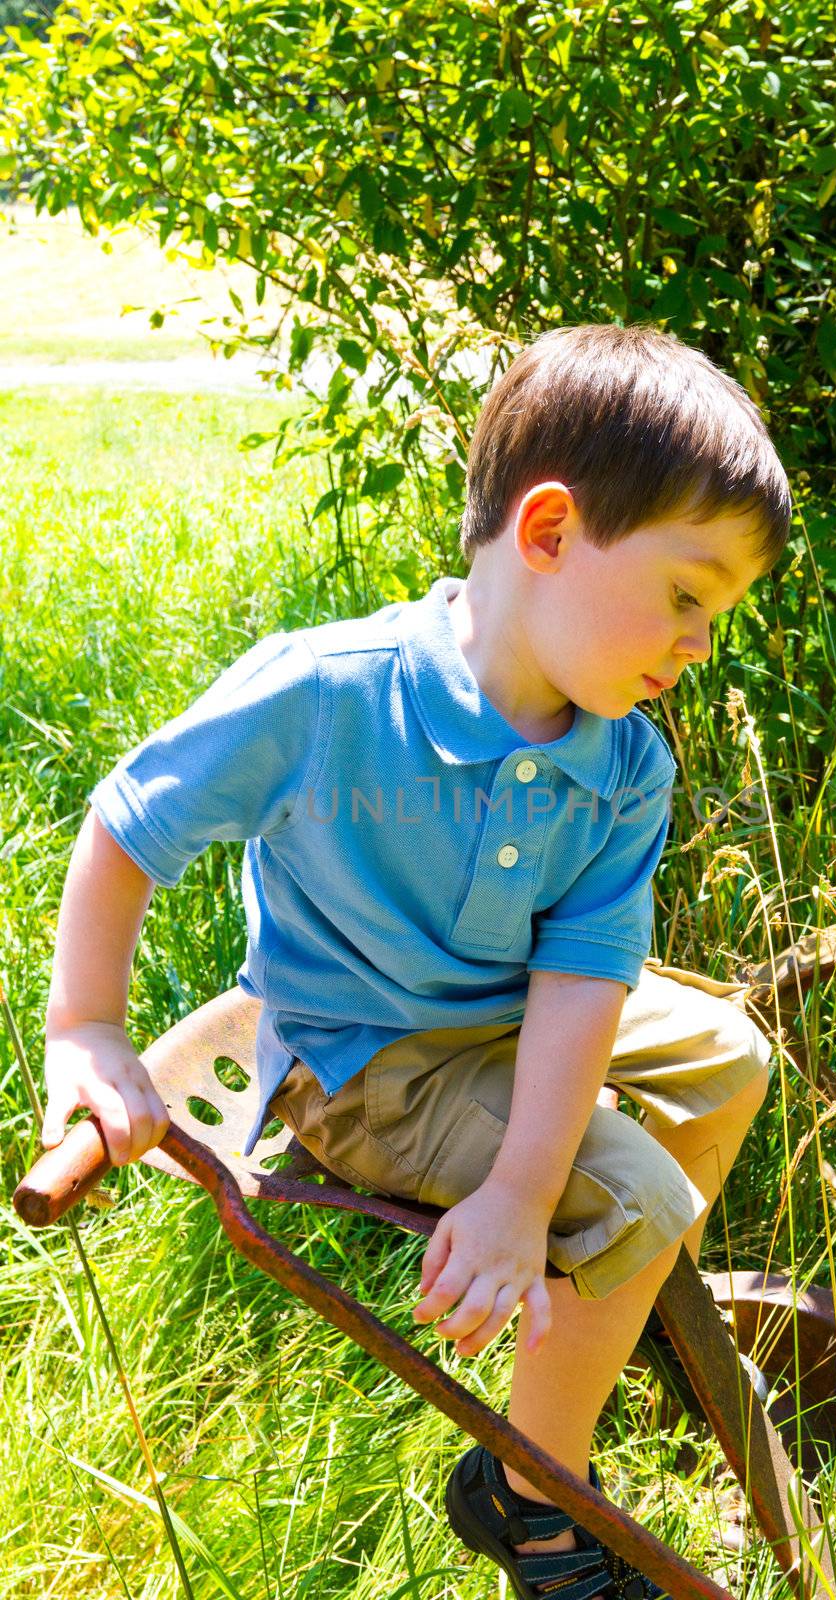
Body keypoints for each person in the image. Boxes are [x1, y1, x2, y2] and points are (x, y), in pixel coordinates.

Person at [42, 323, 790, 1600]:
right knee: (641, 1199)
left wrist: (518, 1187)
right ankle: (536, 1499)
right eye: (684, 594)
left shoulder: (619, 760)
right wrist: (87, 1025)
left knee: (729, 1054)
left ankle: (604, 1286)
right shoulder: (334, 694)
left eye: (715, 613)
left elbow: (582, 976)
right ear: (548, 533)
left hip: (501, 1015)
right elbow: (130, 816)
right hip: (360, 1057)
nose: (699, 643)